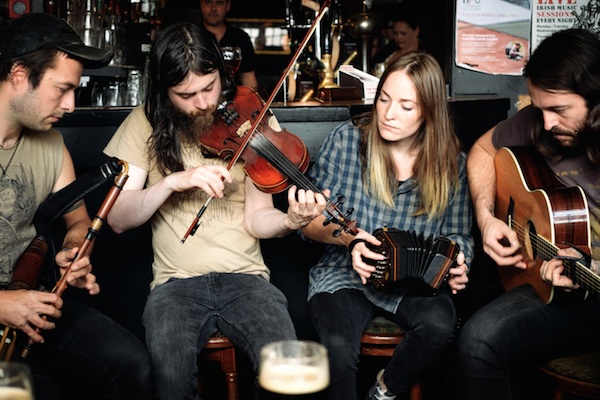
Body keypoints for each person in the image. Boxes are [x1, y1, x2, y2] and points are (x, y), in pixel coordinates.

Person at [103, 22, 327, 399]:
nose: (203, 103)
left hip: (247, 278)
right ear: (164, 91)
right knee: (171, 381)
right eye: (186, 95)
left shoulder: (250, 115)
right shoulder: (145, 120)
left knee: (286, 375)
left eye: (209, 87)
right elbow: (118, 218)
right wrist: (172, 182)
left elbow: (257, 219)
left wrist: (290, 221)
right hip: (175, 285)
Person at [301, 52, 473, 400]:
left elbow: (459, 234)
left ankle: (384, 389)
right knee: (337, 348)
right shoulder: (346, 141)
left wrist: (458, 262)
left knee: (440, 327)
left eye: (406, 106)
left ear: (429, 112)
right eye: (384, 99)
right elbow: (310, 223)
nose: (389, 113)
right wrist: (350, 242)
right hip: (344, 274)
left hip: (412, 283)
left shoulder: (453, 163)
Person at [0, 13, 150, 400]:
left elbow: (78, 221)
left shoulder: (52, 146)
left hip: (35, 299)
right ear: (19, 74)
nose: (70, 105)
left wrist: (73, 250)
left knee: (131, 363)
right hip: (7, 307)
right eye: (62, 89)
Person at [456, 28, 600, 399]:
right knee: (479, 339)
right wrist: (487, 218)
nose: (547, 123)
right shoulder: (540, 122)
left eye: (559, 110)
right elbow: (483, 151)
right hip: (568, 289)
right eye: (540, 109)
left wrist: (592, 268)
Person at [200, 0, 258, 89]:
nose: (213, 8)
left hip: (233, 95)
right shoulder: (191, 37)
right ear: (201, 4)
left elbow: (249, 78)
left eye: (219, 3)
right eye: (208, 2)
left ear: (228, 6)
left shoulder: (241, 38)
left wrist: (252, 97)